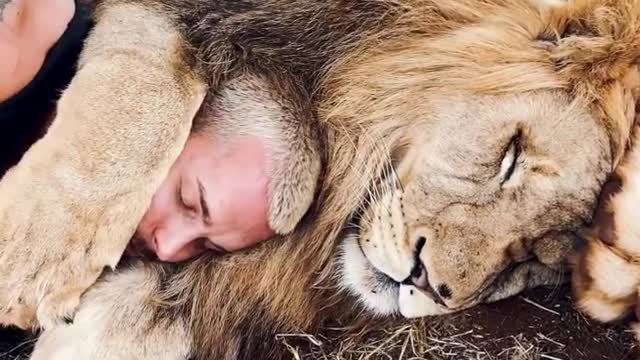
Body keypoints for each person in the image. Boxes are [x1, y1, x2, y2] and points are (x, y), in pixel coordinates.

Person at [0, 0, 276, 262]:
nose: (167, 250)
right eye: (187, 199)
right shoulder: (19, 57)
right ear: (172, 118)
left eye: (206, 246)